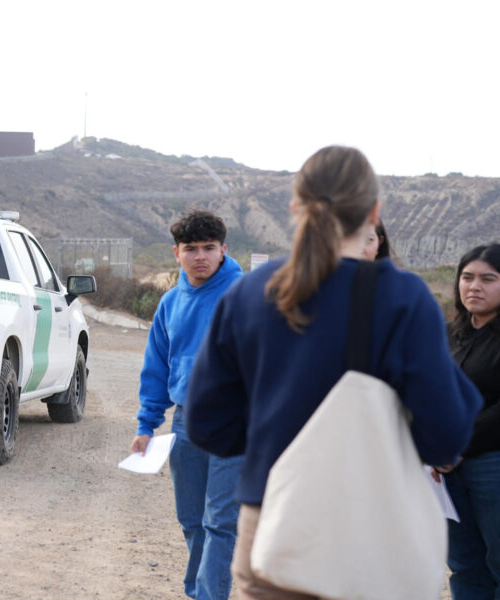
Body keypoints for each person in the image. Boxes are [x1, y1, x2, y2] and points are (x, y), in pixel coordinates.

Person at [183, 145, 482, 598]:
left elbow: (206, 425)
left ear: (295, 207)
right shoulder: (403, 298)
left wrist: (276, 439)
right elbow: (446, 436)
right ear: (374, 211)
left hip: (272, 527)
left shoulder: (247, 295)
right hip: (373, 533)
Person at [130, 209, 243, 600]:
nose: (200, 257)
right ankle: (200, 591)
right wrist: (146, 425)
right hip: (187, 423)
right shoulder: (170, 304)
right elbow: (156, 369)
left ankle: (210, 595)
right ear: (176, 253)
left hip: (235, 424)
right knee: (192, 520)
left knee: (221, 522)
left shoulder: (245, 298)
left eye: (209, 248)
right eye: (190, 249)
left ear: (223, 249)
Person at [438, 243, 500, 600]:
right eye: (467, 277)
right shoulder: (448, 334)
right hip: (446, 471)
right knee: (465, 565)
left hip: (491, 462)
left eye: (488, 279)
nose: (474, 286)